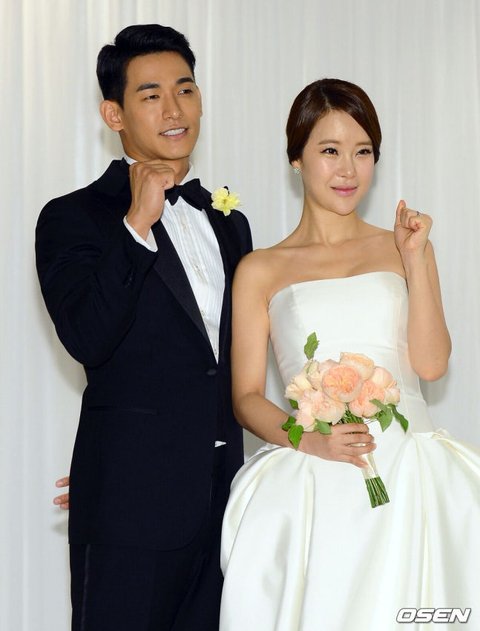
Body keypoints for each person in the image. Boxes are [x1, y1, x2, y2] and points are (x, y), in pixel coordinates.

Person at [219, 78, 480, 631]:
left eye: (363, 152)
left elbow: (432, 365)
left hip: (410, 475)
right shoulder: (261, 268)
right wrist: (308, 439)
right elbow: (245, 397)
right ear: (296, 158)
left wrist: (415, 259)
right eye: (330, 150)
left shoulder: (404, 245)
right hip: (315, 482)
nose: (348, 170)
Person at [35, 24, 251, 631]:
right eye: (151, 95)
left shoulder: (229, 221)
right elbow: (87, 337)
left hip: (225, 504)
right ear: (115, 114)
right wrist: (136, 225)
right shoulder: (73, 217)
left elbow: (231, 360)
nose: (174, 109)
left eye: (185, 89)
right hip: (129, 509)